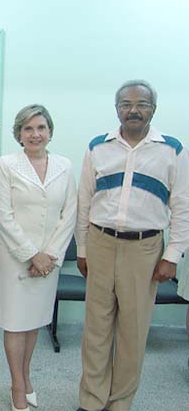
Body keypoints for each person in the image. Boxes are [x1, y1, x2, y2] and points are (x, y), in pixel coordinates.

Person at [76, 80, 189, 411]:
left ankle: (120, 402)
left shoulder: (172, 150)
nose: (133, 110)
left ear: (154, 109)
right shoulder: (98, 147)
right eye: (126, 104)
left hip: (144, 249)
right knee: (96, 329)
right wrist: (82, 249)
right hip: (100, 243)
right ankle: (92, 400)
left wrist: (172, 256)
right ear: (117, 109)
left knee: (133, 332)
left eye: (142, 104)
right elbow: (84, 202)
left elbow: (182, 208)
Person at [0, 105, 77, 411]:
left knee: (33, 322)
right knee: (15, 323)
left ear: (50, 131)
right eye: (28, 128)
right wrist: (31, 254)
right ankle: (17, 385)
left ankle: (26, 378)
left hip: (49, 259)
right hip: (14, 256)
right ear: (19, 134)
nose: (35, 134)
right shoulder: (7, 164)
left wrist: (49, 255)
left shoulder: (64, 166)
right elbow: (3, 214)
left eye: (41, 127)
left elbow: (69, 213)